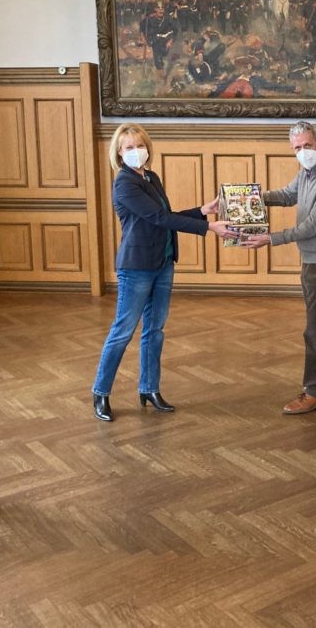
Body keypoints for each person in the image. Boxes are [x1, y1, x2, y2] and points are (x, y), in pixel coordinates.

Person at [92, 123, 236, 422]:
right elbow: (158, 218)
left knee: (154, 330)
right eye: (129, 147)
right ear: (119, 153)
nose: (136, 151)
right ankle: (101, 392)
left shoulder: (151, 177)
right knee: (123, 331)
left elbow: (166, 217)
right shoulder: (124, 183)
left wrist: (201, 210)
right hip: (136, 267)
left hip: (163, 262)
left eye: (140, 145)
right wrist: (209, 227)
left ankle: (149, 388)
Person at [240, 121, 316, 414]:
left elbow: (314, 225)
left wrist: (272, 239)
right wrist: (246, 197)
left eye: (306, 145)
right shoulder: (308, 170)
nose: (302, 152)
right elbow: (288, 195)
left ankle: (314, 391)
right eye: (297, 148)